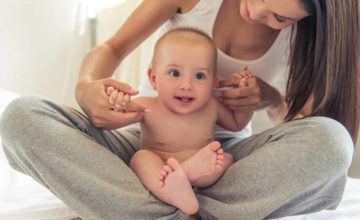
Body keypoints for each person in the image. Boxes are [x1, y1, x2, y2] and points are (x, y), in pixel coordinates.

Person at [0, 0, 358, 219]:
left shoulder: (305, 37)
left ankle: (127, 210)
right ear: (156, 76)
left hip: (220, 157)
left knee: (333, 142)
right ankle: (184, 210)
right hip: (144, 143)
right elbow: (111, 47)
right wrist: (87, 89)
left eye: (279, 17)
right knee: (22, 117)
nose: (255, 11)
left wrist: (270, 100)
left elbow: (298, 128)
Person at [105, 27, 253, 215]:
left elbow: (236, 123)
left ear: (213, 83)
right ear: (153, 78)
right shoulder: (146, 106)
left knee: (225, 159)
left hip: (201, 168)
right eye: (175, 73)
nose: (186, 85)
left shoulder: (212, 106)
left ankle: (185, 177)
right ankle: (171, 189)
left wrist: (246, 99)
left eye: (199, 76)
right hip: (161, 167)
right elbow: (111, 120)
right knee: (140, 159)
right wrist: (116, 101)